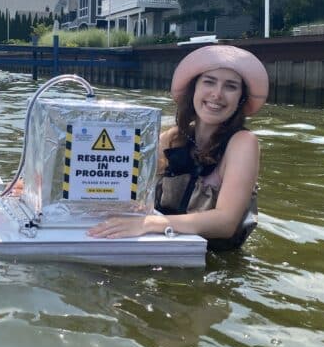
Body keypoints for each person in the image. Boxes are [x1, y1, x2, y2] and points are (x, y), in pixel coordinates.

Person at [87, 45, 268, 251]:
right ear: (194, 89)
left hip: (211, 262)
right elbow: (128, 180)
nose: (217, 94)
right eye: (209, 82)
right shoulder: (173, 137)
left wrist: (149, 224)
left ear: (240, 98)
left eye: (231, 86)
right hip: (161, 250)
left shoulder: (244, 143)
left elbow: (226, 223)